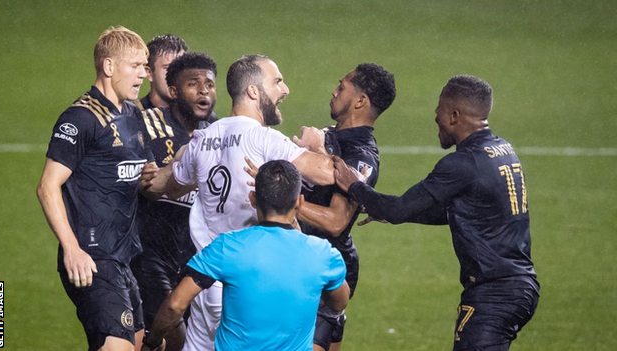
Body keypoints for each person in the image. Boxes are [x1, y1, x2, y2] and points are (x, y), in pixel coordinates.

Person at [141, 54, 336, 351]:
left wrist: (155, 175)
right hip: (250, 285)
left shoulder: (202, 140)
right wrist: (318, 146)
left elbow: (167, 186)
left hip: (206, 285)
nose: (285, 90)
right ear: (254, 91)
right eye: (277, 82)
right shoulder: (264, 139)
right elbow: (325, 174)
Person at [333, 75, 540, 351]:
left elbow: (398, 209)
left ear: (454, 115)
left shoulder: (462, 163)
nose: (434, 116)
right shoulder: (502, 150)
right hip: (517, 286)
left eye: (439, 108)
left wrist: (355, 186)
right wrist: (388, 209)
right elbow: (460, 212)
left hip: (495, 294)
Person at [141, 160, 350, 351]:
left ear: (252, 198)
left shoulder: (227, 246)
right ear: (299, 201)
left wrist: (153, 342)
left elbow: (175, 304)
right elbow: (339, 302)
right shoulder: (323, 254)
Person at [36, 26, 153, 351]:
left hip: (123, 258)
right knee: (118, 347)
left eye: (144, 66)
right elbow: (47, 186)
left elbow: (142, 178)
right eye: (135, 66)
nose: (143, 74)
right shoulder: (80, 119)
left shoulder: (132, 115)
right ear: (109, 66)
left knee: (141, 343)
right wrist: (72, 248)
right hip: (91, 256)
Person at [296, 63, 396, 351]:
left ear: (360, 101)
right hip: (302, 260)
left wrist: (283, 203)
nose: (334, 91)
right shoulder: (329, 136)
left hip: (326, 266)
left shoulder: (361, 156)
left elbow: (337, 220)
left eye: (341, 87)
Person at [131, 52, 218, 351]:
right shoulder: (146, 123)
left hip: (196, 258)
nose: (204, 90)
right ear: (173, 91)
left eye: (209, 84)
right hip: (150, 254)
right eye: (194, 84)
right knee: (174, 338)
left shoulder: (221, 133)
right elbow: (148, 186)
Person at [137, 34, 188, 110]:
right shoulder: (131, 116)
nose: (177, 76)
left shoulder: (200, 117)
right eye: (168, 68)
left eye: (181, 68)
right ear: (149, 73)